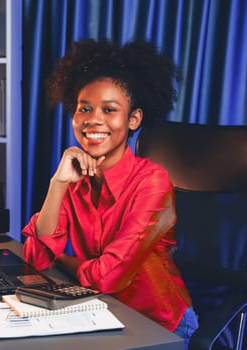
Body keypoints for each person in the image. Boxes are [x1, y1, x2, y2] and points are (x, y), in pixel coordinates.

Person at [21, 38, 198, 346]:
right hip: (102, 313)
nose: (93, 119)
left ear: (133, 119)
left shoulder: (152, 183)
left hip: (158, 325)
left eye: (109, 109)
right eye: (84, 108)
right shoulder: (75, 177)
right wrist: (58, 185)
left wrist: (63, 260)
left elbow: (107, 276)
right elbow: (36, 257)